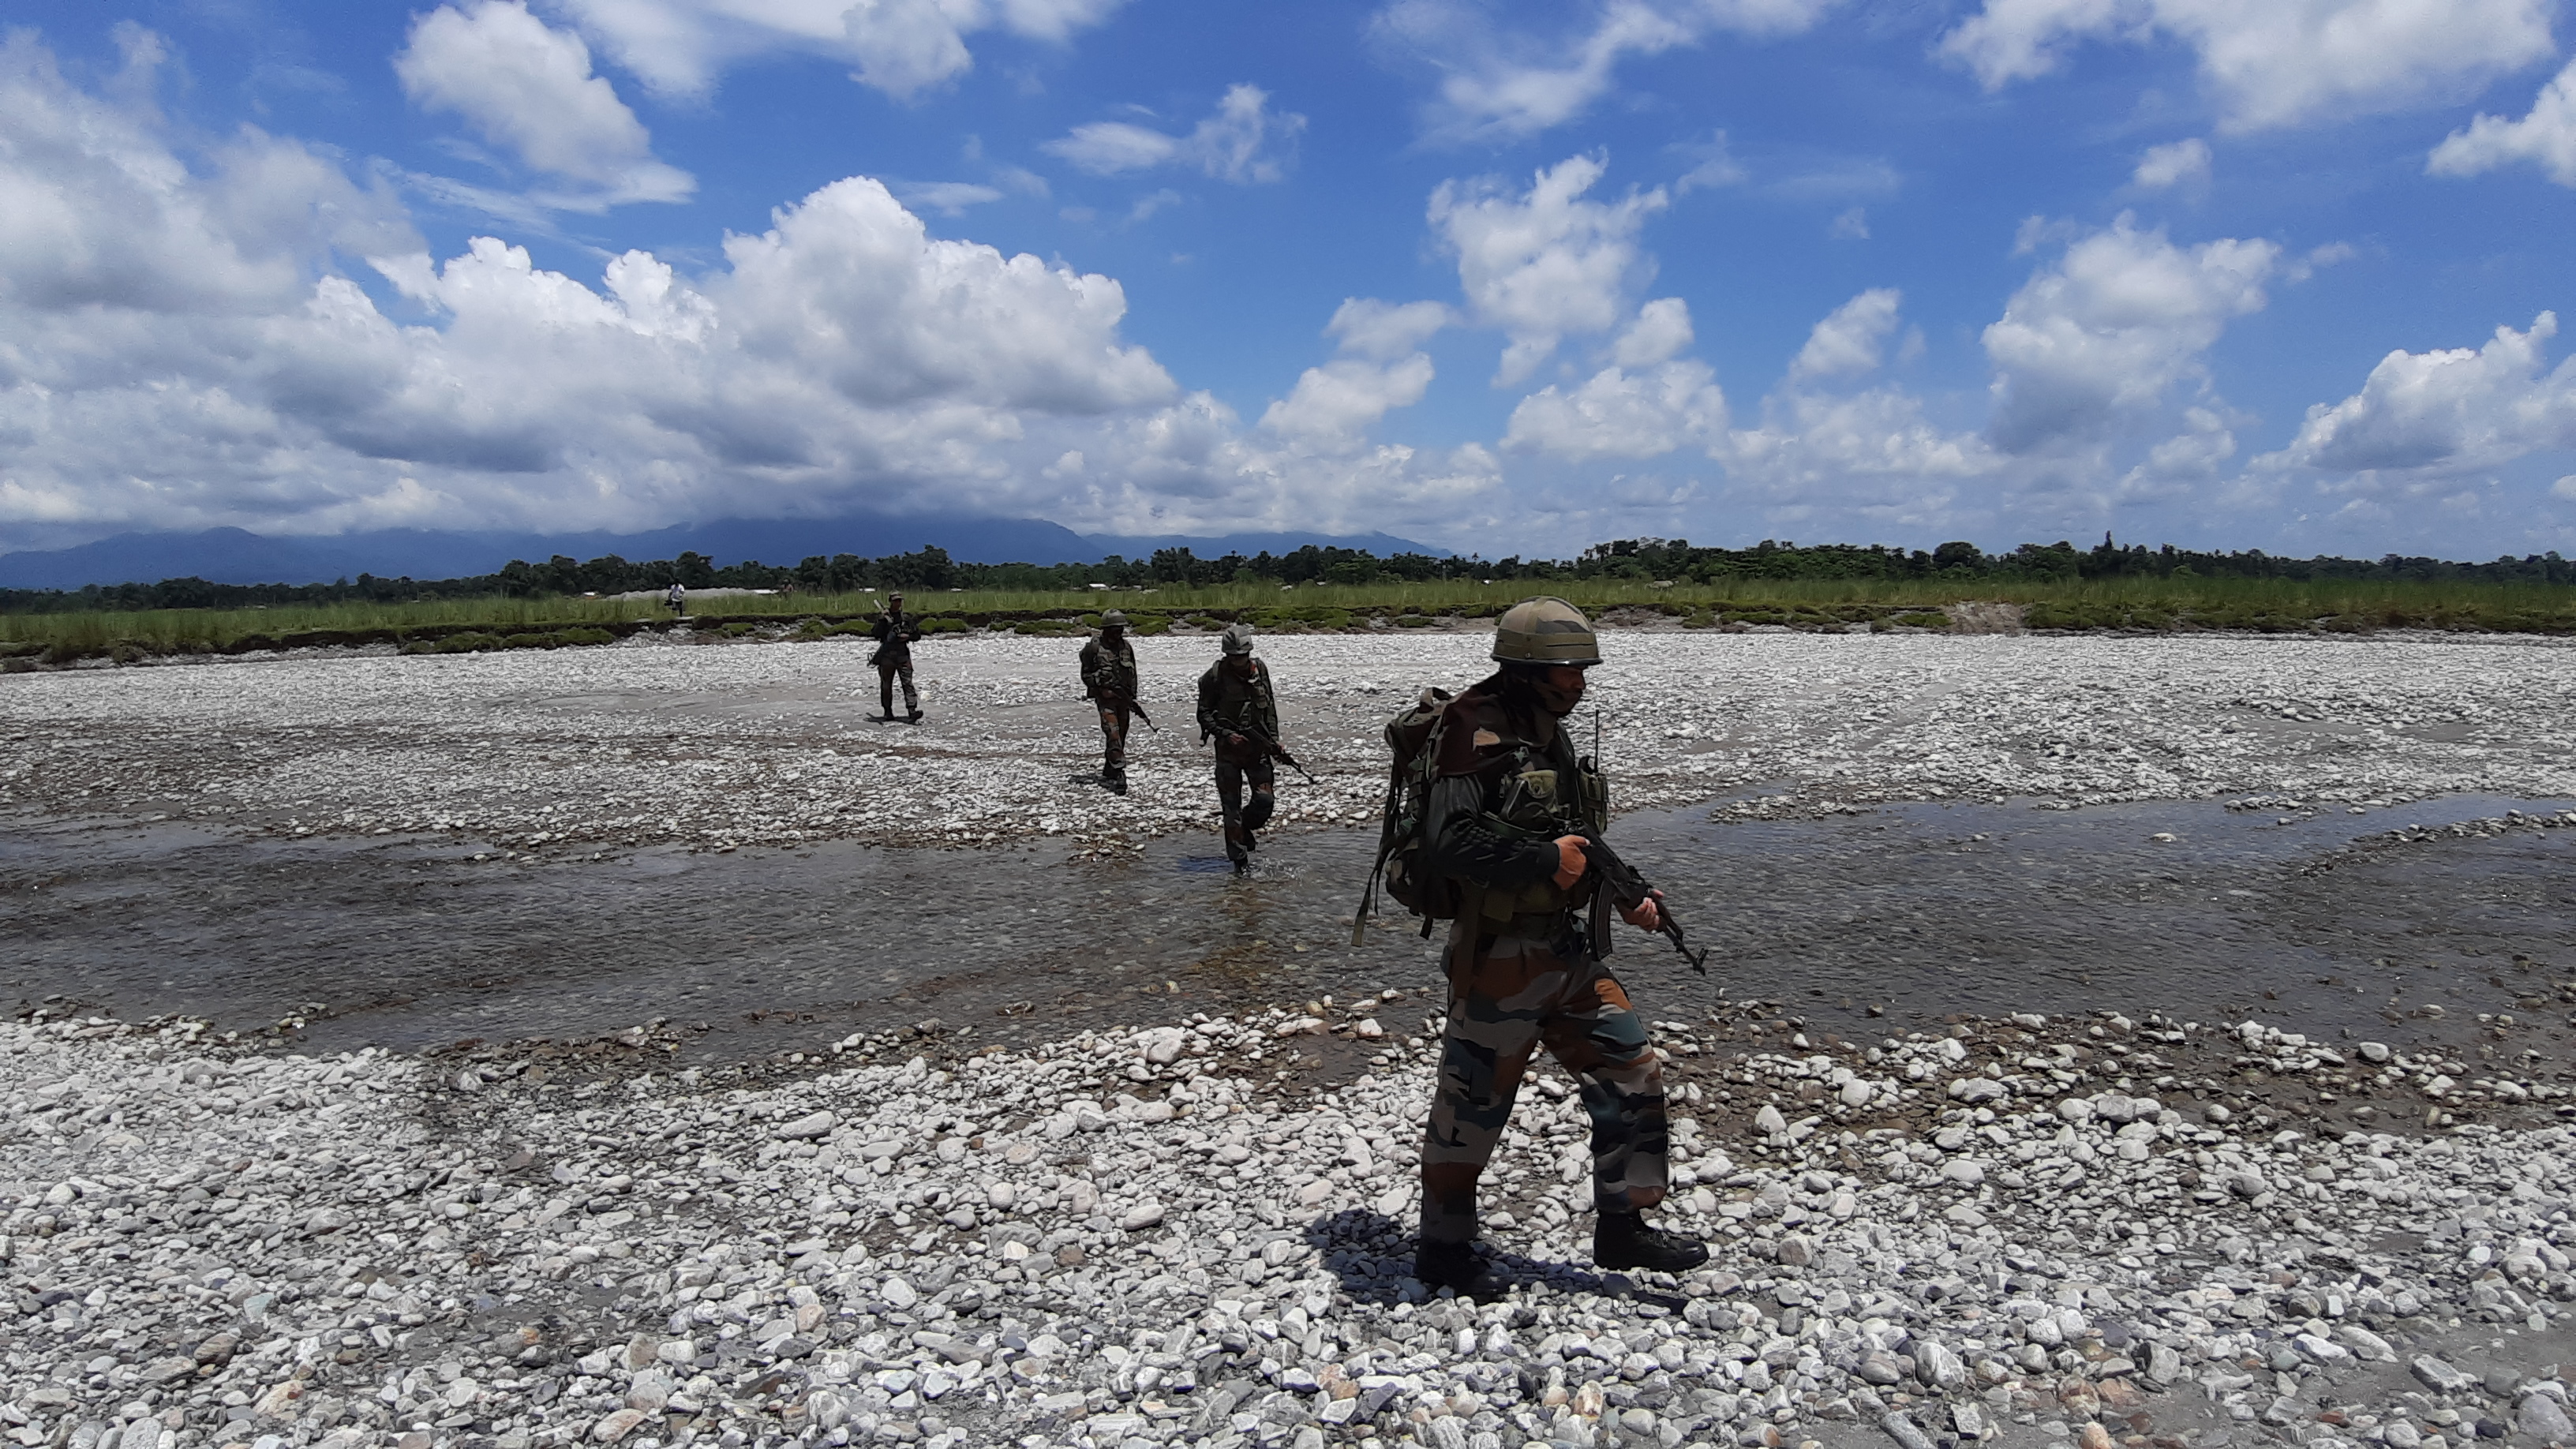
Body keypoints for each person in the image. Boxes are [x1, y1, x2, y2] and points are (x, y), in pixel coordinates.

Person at [1410, 596, 1707, 1299]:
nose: (1580, 684)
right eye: (1567, 672)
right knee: (1472, 1111)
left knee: (1633, 1070)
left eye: (1582, 671)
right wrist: (1547, 862)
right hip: (1498, 962)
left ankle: (1623, 1227)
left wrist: (1624, 894)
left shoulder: (1550, 729)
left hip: (1568, 954)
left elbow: (1571, 831)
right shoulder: (1469, 728)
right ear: (1525, 670)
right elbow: (1448, 842)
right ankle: (1443, 1249)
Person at [1195, 623, 1277, 872]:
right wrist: (1226, 734)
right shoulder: (1215, 676)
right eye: (1234, 657)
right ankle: (1239, 865)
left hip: (1257, 749)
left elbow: (1270, 708)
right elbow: (1203, 713)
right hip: (1228, 752)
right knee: (1231, 810)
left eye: (1243, 656)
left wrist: (1274, 740)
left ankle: (1244, 828)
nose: (1239, 661)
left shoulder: (1259, 669)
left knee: (1265, 800)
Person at [1078, 609, 1139, 792]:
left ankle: (1110, 767)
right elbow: (1085, 675)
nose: (1119, 632)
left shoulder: (1126, 647)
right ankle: (1120, 772)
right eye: (1115, 629)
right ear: (1106, 629)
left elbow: (1133, 673)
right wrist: (1101, 688)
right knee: (1112, 732)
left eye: (1121, 629)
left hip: (1123, 699)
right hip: (1105, 700)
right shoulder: (1094, 648)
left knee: (1121, 735)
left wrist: (1132, 697)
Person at [869, 591, 925, 723]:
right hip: (887, 656)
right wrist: (882, 620)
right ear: (890, 601)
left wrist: (908, 636)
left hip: (902, 655)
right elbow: (875, 634)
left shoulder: (906, 618)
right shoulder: (884, 617)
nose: (898, 603)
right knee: (886, 685)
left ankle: (912, 711)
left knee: (908, 683)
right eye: (895, 601)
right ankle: (887, 711)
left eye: (899, 600)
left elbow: (917, 635)